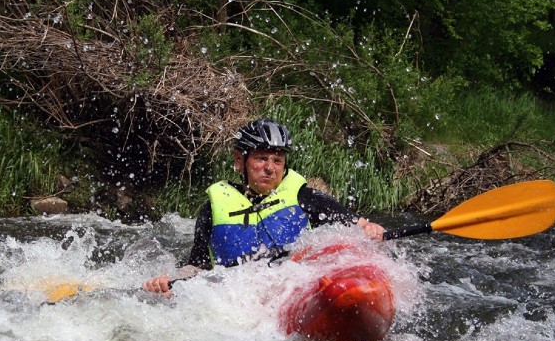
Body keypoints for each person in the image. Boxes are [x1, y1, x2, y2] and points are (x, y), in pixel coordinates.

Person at [143, 118, 385, 295]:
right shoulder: (213, 208)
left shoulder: (305, 197)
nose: (270, 167)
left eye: (277, 160)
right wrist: (169, 283)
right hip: (240, 297)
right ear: (240, 161)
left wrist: (369, 229)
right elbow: (197, 266)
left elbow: (358, 226)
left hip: (294, 288)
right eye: (261, 158)